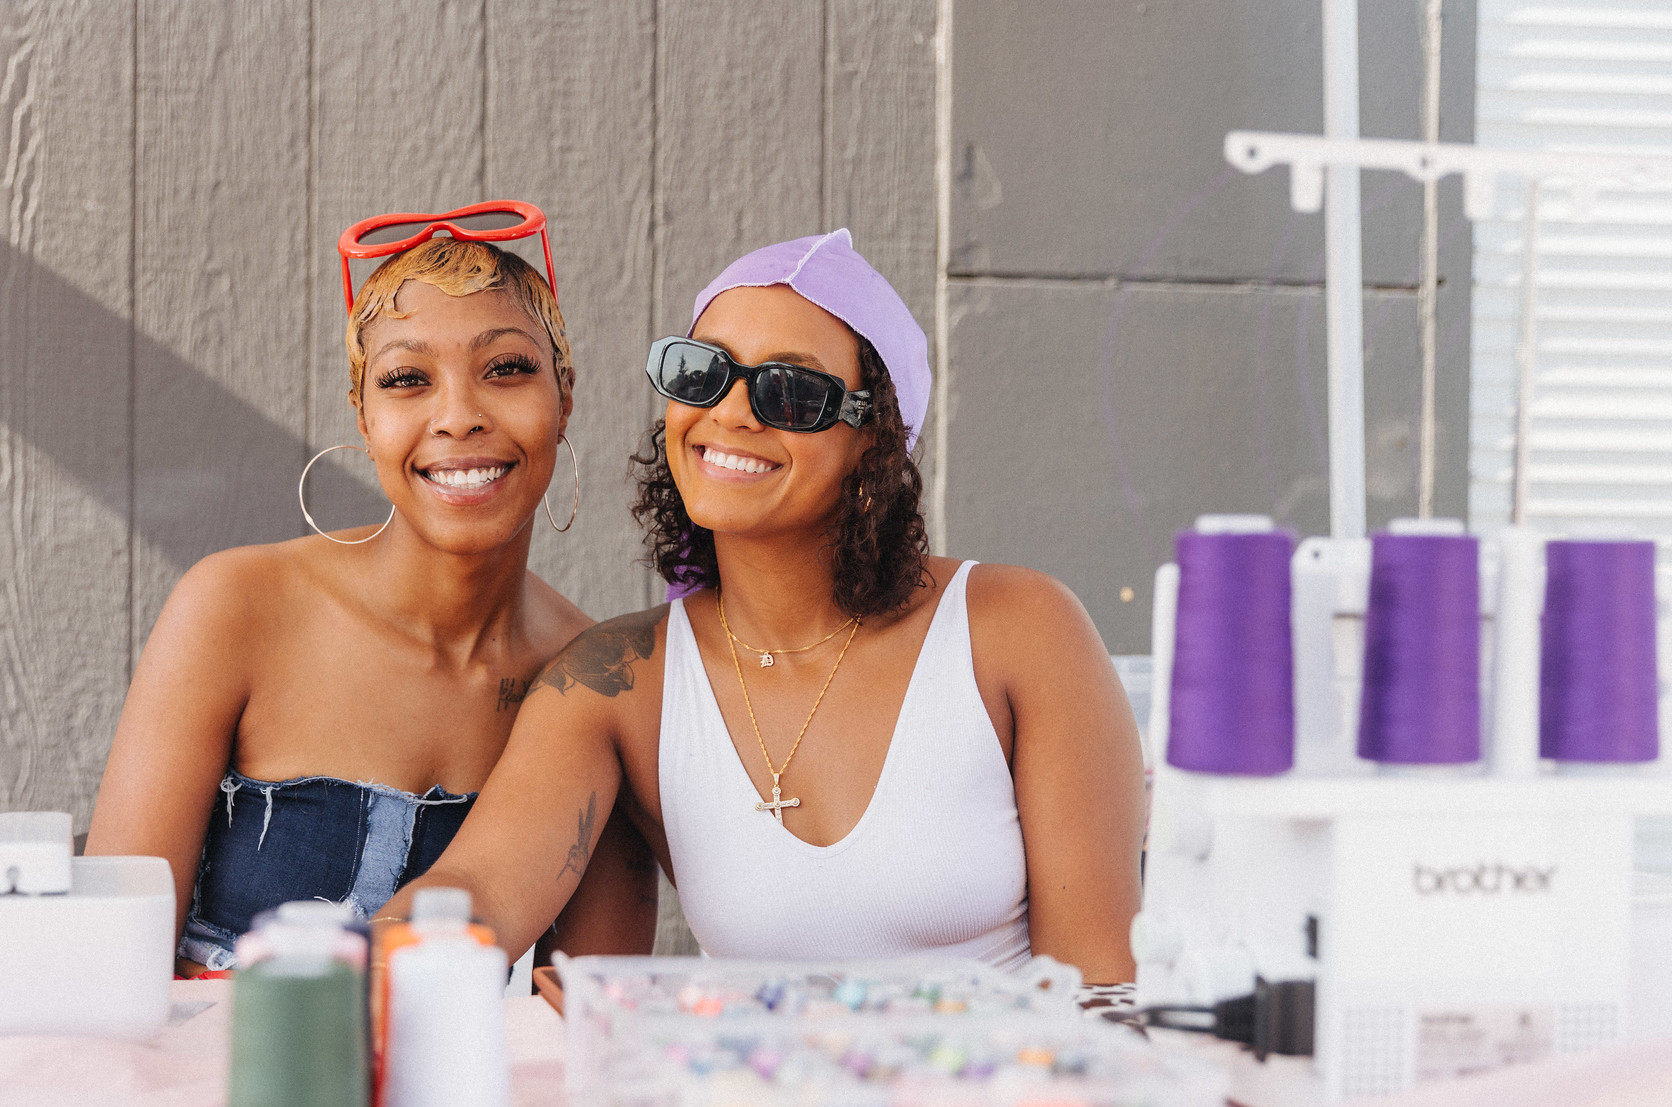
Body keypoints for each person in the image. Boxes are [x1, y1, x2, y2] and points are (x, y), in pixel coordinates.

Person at [383, 230, 1143, 983]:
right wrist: (327, 963)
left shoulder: (1018, 631)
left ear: (873, 439)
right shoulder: (617, 686)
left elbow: (1100, 986)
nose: (734, 414)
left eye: (791, 391)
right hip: (754, 1104)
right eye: (703, 372)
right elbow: (479, 893)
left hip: (1004, 1099)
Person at [87, 221, 656, 975]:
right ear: (363, 414)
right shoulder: (237, 607)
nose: (458, 416)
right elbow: (108, 965)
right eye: (407, 379)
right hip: (213, 1077)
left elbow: (585, 1016)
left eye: (508, 368)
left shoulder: (594, 685)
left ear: (566, 395)